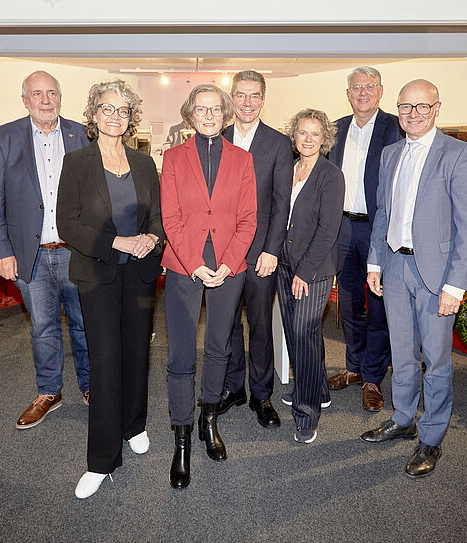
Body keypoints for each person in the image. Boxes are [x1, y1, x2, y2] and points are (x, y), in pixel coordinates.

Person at [362, 79, 467, 478]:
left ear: (437, 108)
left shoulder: (459, 154)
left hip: (437, 275)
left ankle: (431, 438)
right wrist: (375, 262)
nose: (413, 114)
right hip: (395, 266)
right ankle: (402, 419)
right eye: (405, 107)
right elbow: (383, 212)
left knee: (435, 360)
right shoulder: (390, 153)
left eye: (421, 107)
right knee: (402, 353)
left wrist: (455, 285)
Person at [55, 80, 165, 499]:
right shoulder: (78, 162)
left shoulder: (143, 163)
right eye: (107, 108)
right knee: (105, 360)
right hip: (97, 273)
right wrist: (118, 242)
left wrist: (150, 239)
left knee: (138, 352)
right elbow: (68, 223)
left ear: (131, 117)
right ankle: (101, 460)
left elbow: (157, 217)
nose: (115, 116)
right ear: (94, 114)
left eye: (123, 110)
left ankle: (134, 425)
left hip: (139, 274)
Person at [0, 71, 91, 430]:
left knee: (85, 323)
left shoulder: (82, 135)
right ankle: (49, 392)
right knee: (43, 327)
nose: (45, 100)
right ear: (25, 100)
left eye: (52, 93)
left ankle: (92, 386)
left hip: (77, 252)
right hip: (30, 254)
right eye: (37, 94)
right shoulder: (3, 137)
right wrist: (0, 250)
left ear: (61, 97)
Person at [161, 84, 257, 488]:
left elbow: (248, 219)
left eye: (216, 109)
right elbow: (172, 218)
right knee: (182, 355)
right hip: (185, 266)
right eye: (201, 109)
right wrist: (197, 265)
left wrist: (229, 263)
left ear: (226, 113)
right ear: (190, 113)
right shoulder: (173, 157)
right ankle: (181, 436)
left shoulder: (243, 159)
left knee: (219, 348)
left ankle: (209, 419)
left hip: (229, 267)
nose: (209, 115)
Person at [217, 70, 292, 428]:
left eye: (254, 95)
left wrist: (272, 249)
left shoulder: (278, 143)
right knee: (227, 324)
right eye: (241, 95)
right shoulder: (216, 138)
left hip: (261, 253)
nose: (247, 102)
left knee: (260, 327)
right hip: (223, 254)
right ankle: (234, 388)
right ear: (232, 97)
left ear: (263, 99)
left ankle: (262, 395)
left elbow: (281, 203)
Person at [326, 66, 404, 412]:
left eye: (369, 86)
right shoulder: (336, 129)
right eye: (356, 87)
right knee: (349, 305)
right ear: (348, 93)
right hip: (343, 229)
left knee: (380, 308)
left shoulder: (396, 128)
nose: (362, 93)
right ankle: (353, 367)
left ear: (381, 91)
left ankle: (373, 376)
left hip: (380, 229)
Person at [277, 109, 345, 444]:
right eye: (302, 132)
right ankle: (317, 388)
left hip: (313, 271)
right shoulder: (289, 169)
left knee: (303, 333)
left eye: (314, 134)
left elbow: (328, 230)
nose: (307, 139)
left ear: (324, 139)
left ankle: (306, 411)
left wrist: (304, 272)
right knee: (297, 332)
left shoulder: (330, 176)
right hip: (284, 265)